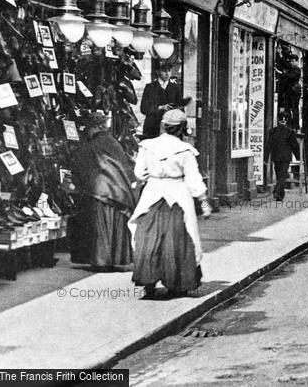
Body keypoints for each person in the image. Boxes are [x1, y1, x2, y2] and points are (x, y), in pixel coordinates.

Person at [128, 108, 212, 298]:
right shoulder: (185, 150)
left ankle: (148, 280)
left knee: (148, 236)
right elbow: (193, 179)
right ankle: (177, 283)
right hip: (177, 194)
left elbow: (139, 173)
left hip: (153, 194)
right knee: (180, 237)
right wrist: (204, 202)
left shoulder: (147, 146)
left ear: (163, 126)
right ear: (182, 128)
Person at [69, 111, 137, 271]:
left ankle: (101, 261)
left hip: (100, 191)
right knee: (112, 227)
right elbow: (123, 166)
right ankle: (112, 260)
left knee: (100, 227)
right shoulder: (111, 141)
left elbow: (81, 166)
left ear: (94, 127)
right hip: (118, 193)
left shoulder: (92, 144)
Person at [140, 61, 183, 138]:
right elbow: (143, 108)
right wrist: (160, 107)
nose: (167, 74)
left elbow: (181, 110)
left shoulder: (176, 88)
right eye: (164, 71)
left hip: (170, 129)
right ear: (157, 71)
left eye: (169, 71)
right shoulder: (150, 87)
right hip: (152, 128)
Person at [265, 113, 300, 202]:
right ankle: (278, 192)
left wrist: (266, 158)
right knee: (282, 175)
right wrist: (298, 156)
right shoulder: (289, 132)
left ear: (278, 120)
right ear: (286, 120)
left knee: (278, 175)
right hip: (285, 157)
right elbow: (294, 145)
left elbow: (268, 145)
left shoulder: (273, 131)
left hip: (276, 156)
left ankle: (279, 196)